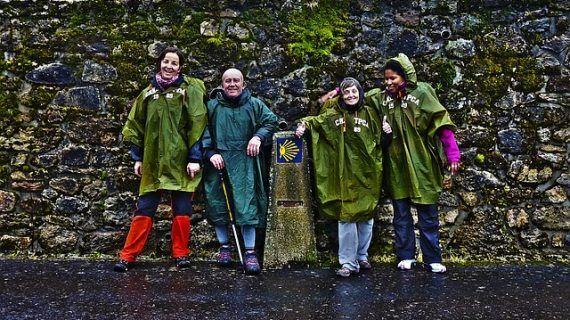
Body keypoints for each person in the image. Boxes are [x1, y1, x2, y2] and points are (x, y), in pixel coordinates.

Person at [114, 47, 207, 272]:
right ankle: (128, 256)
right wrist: (137, 158)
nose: (169, 66)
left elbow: (197, 123)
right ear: (159, 63)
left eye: (174, 63)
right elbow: (136, 126)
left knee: (182, 208)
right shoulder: (147, 93)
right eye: (166, 61)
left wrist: (195, 157)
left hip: (181, 161)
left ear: (180, 67)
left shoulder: (188, 90)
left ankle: (180, 254)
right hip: (153, 162)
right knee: (145, 207)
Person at [366, 53, 461, 273]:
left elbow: (442, 123)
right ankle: (406, 255)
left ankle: (432, 258)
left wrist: (452, 153)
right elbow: (358, 97)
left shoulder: (423, 92)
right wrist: (337, 92)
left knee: (427, 212)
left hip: (422, 162)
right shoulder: (382, 98)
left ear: (405, 76)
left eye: (393, 78)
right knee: (401, 213)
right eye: (386, 79)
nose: (388, 83)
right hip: (396, 163)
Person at [295, 77, 392, 277]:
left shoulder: (371, 113)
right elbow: (316, 122)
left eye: (354, 91)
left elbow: (382, 141)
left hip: (367, 173)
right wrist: (303, 125)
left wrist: (387, 133)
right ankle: (348, 262)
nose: (350, 95)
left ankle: (361, 256)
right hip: (342, 175)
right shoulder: (333, 114)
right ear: (341, 94)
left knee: (366, 215)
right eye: (346, 92)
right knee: (346, 217)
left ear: (360, 92)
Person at [201, 68, 278, 275]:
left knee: (247, 205)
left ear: (243, 84)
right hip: (220, 162)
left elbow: (271, 121)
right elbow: (201, 130)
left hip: (246, 163)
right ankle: (224, 247)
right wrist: (209, 153)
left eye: (236, 80)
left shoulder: (254, 104)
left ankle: (250, 252)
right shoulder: (212, 107)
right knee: (219, 203)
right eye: (228, 81)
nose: (232, 84)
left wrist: (258, 137)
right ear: (222, 84)